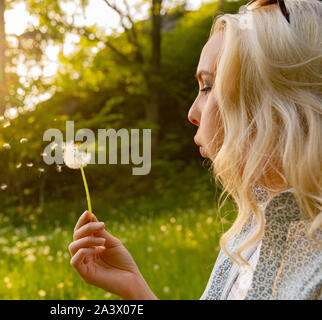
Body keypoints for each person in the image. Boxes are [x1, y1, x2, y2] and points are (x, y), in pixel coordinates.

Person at [68, 0, 321, 300]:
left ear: (271, 96)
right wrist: (135, 287)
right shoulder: (253, 230)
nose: (192, 112)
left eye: (208, 86)